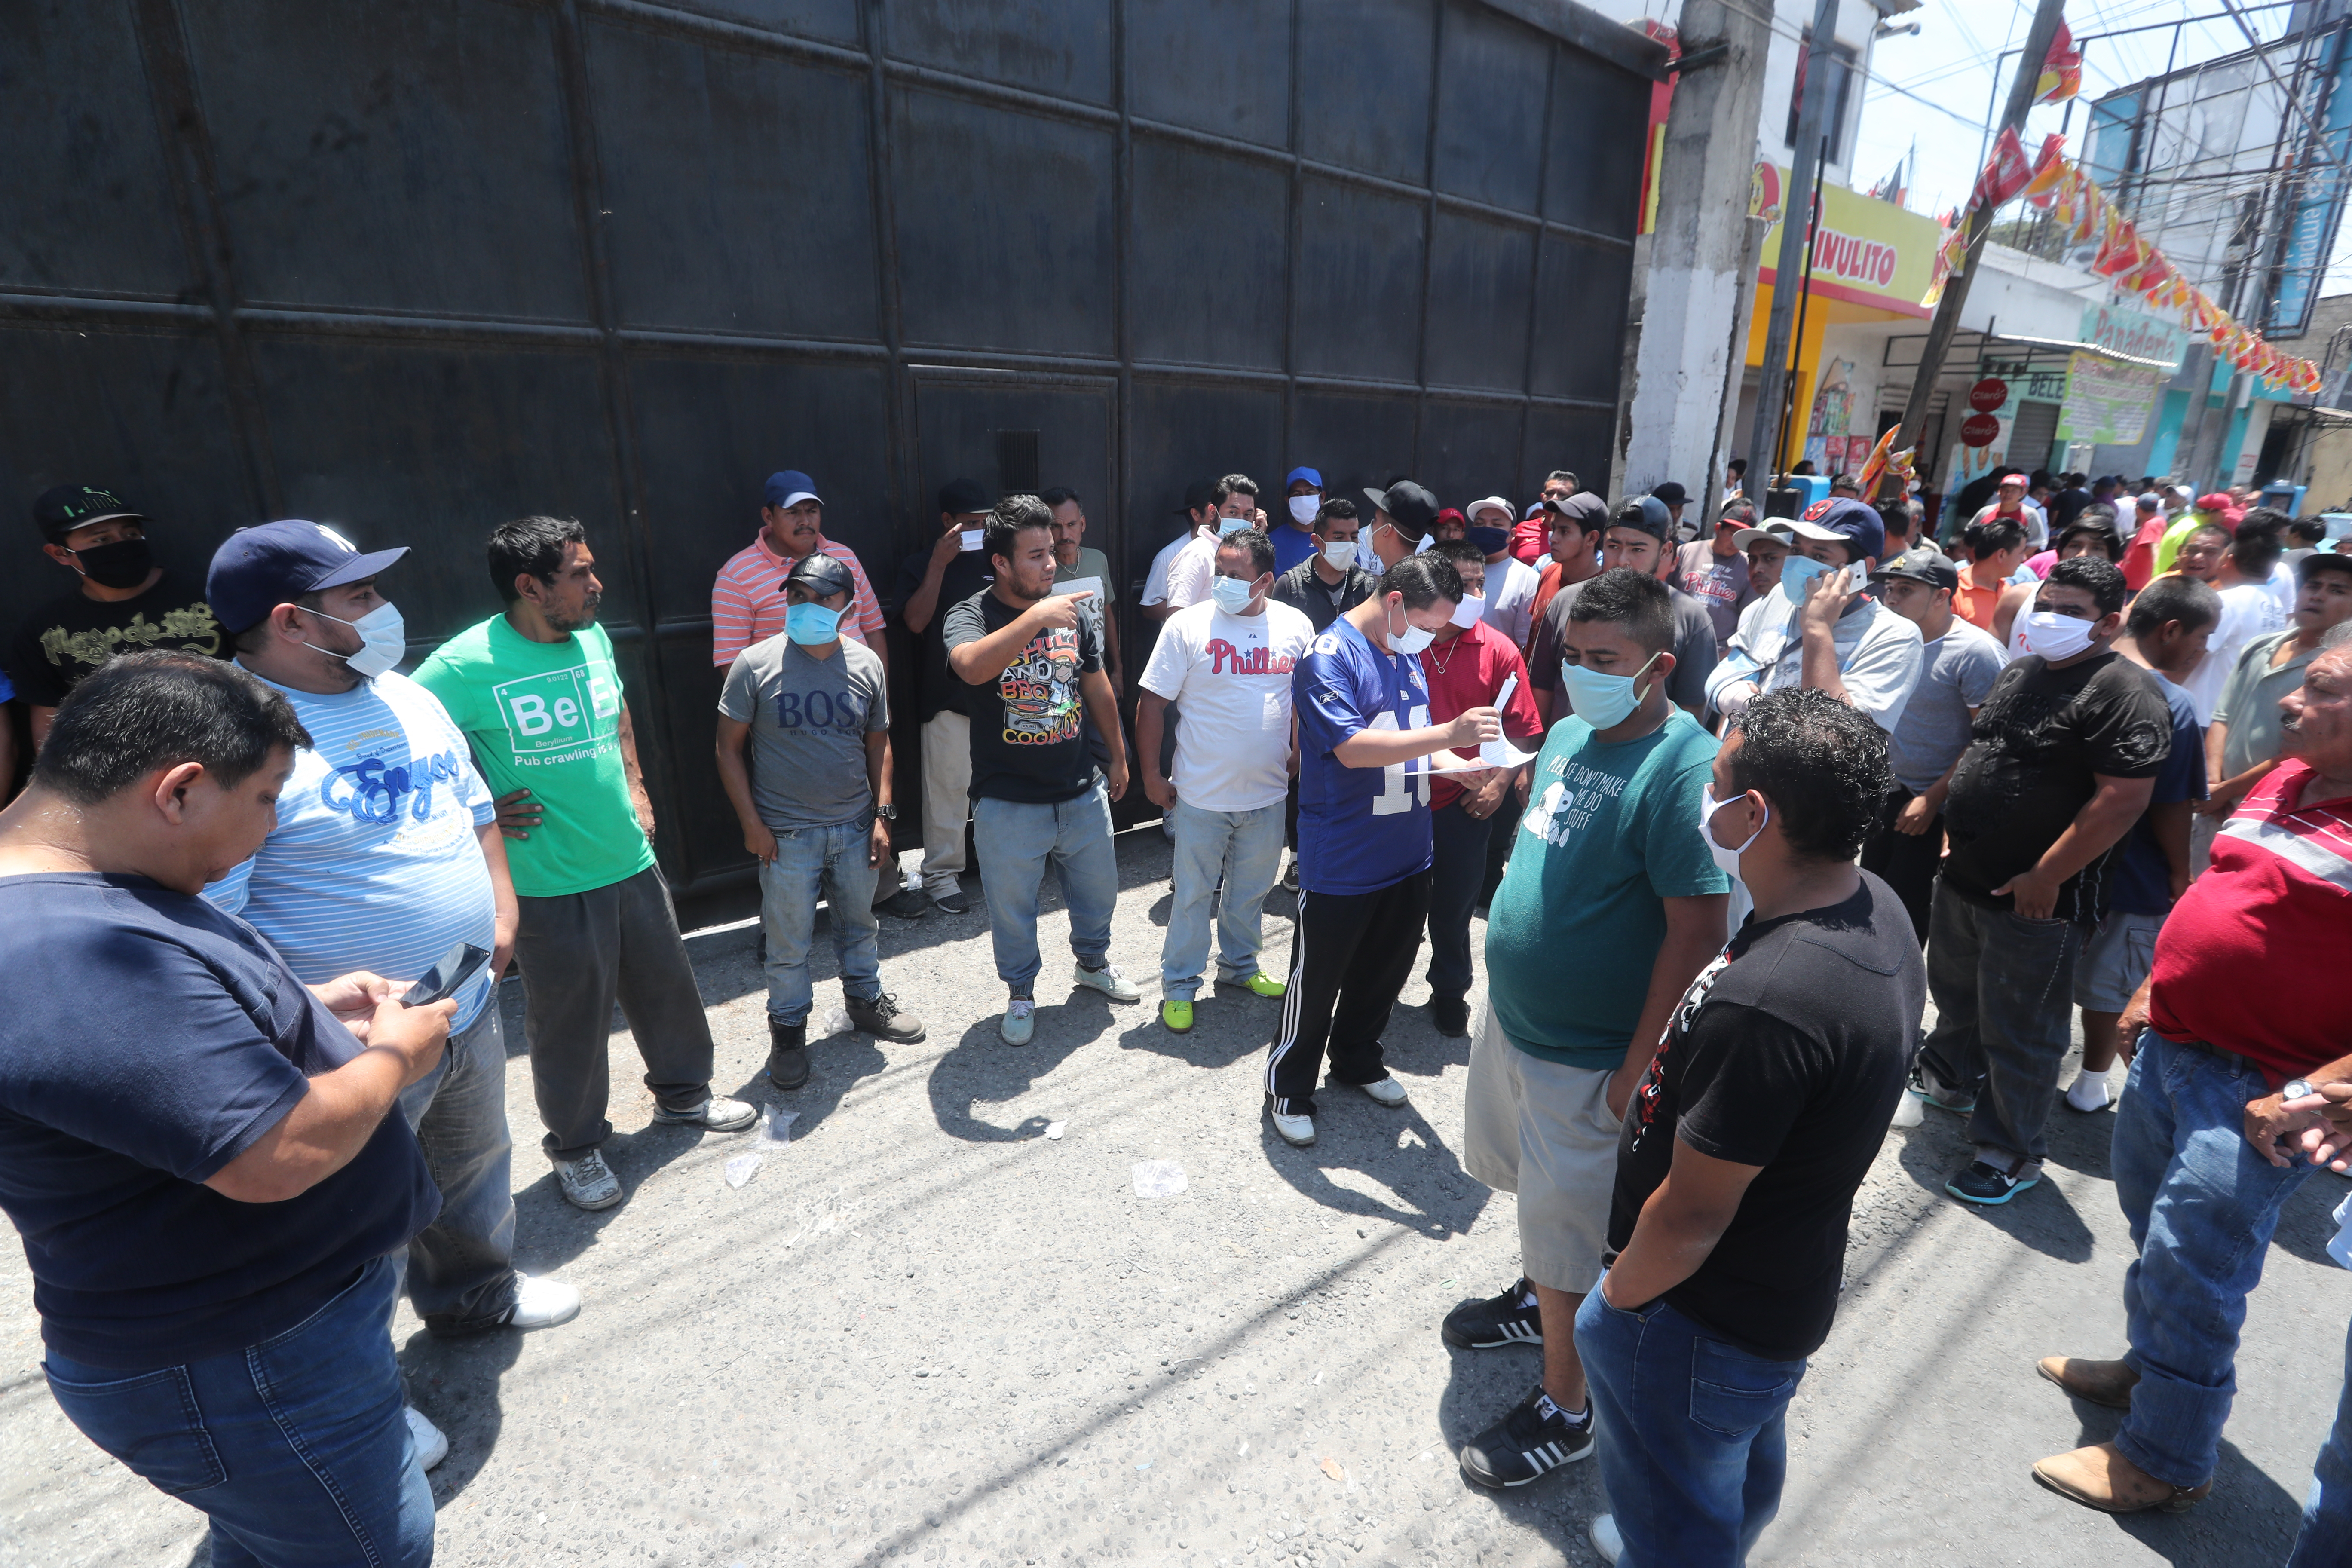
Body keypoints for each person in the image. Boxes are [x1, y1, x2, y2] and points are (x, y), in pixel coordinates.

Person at [0, 651, 449, 1567]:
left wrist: (300, 1010)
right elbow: (274, 1152)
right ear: (180, 791)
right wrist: (401, 1054)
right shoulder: (60, 951)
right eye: (269, 799)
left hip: (256, 1344)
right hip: (241, 1361)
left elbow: (142, 1056)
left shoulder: (87, 898)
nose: (271, 827)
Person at [200, 519, 579, 1473]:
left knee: (471, 1161)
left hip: (464, 1001)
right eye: (359, 599)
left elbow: (478, 808)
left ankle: (472, 1294)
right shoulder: (237, 739)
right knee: (351, 1230)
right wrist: (305, 1012)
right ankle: (362, 1405)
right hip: (348, 1043)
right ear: (292, 621)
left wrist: (501, 913)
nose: (383, 613)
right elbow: (206, 924)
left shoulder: (404, 695)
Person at [1577, 688, 1925, 1567]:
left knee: (1680, 1505)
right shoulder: (1872, 900)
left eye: (1717, 782)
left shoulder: (1775, 999)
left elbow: (1693, 1216)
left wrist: (1612, 1311)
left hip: (1694, 1317)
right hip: (1774, 1297)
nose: (1706, 799)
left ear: (1755, 812)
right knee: (1730, 1471)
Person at [2031, 622, 2352, 1516]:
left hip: (2262, 1092)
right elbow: (2222, 893)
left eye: (2323, 689)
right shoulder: (2290, 777)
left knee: (2195, 1263)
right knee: (2158, 1233)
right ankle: (2151, 1369)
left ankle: (2165, 1457)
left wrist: (2307, 1093)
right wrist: (2147, 995)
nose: (2292, 700)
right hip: (2174, 1051)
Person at [1449, 568, 1730, 1490]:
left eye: (1604, 660)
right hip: (1520, 1026)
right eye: (1571, 656)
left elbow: (1697, 930)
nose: (1580, 676)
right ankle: (1538, 1302)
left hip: (1592, 1054)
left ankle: (1568, 1411)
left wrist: (1640, 1065)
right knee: (1538, 1202)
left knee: (1574, 1240)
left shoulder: (1683, 765)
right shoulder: (1571, 731)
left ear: (1660, 664)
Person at [415, 516, 756, 1213]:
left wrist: (635, 782)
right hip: (547, 881)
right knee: (568, 1021)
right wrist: (474, 808)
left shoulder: (592, 636)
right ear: (530, 585)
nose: (596, 584)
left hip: (627, 858)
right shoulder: (462, 664)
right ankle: (575, 1146)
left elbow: (619, 709)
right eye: (579, 574)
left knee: (668, 990)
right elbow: (407, 741)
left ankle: (684, 1097)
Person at [1910, 556, 2172, 1206]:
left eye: (2071, 611)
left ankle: (2009, 1151)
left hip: (2038, 900)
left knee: (2023, 1026)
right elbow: (1981, 748)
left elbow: (2123, 801)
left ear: (2109, 623)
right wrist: (1951, 826)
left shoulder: (2126, 692)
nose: (2050, 618)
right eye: (2047, 604)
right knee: (1958, 995)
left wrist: (2047, 874)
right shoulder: (2023, 670)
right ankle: (1949, 1078)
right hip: (1967, 877)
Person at [1269, 552, 1498, 1148]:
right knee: (1317, 981)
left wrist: (1457, 766)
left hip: (1407, 850)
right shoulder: (1329, 658)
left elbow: (1410, 737)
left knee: (1385, 972)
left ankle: (1357, 1059)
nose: (1435, 637)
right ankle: (1289, 1086)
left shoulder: (1405, 652)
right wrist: (1450, 737)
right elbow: (1353, 748)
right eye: (1430, 624)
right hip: (1343, 855)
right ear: (1396, 603)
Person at [716, 553, 925, 1093]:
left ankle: (864, 1001)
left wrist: (882, 816)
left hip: (855, 828)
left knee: (861, 927)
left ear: (847, 605)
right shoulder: (755, 664)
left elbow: (879, 745)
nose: (805, 606)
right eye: (796, 596)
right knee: (788, 946)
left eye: (821, 597)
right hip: (786, 838)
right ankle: (788, 1034)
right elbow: (727, 749)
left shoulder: (865, 665)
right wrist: (751, 825)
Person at [945, 495, 1140, 1044]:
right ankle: (1021, 992)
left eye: (1051, 552)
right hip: (1007, 798)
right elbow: (970, 667)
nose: (1050, 565)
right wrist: (1035, 618)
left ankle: (1093, 965)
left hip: (1079, 787)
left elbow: (1095, 683)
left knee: (1099, 892)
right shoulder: (971, 614)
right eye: (1034, 556)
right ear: (1001, 563)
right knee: (1013, 911)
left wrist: (1118, 755)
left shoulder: (1071, 609)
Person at [1136, 528, 1312, 1031]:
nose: (1224, 583)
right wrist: (1151, 774)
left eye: (1236, 574)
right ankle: (1179, 985)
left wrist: (1299, 750)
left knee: (1250, 893)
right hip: (1202, 795)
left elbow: (1305, 698)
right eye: (1220, 572)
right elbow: (1152, 704)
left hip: (1268, 794)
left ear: (1266, 581)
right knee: (1193, 896)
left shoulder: (1296, 626)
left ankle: (1240, 968)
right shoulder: (1187, 627)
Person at [2062, 575, 2218, 1114]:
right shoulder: (2173, 705)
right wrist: (2180, 873)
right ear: (2172, 631)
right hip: (2132, 874)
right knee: (2111, 988)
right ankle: (2089, 1082)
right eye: (2202, 639)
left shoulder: (2074, 674)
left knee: (2039, 974)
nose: (2204, 652)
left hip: (2054, 864)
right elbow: (2173, 805)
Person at [1417, 540, 1544, 1038]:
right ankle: (1375, 991)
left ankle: (1450, 991)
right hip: (1401, 799)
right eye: (1461, 583)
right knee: (1397, 909)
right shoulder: (1405, 641)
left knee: (1454, 907)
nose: (1473, 592)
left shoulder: (1499, 649)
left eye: (1478, 583)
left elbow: (1523, 728)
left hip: (1466, 804)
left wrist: (1498, 785)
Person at [1857, 546, 2006, 943]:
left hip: (1933, 803)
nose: (1891, 598)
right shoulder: (1885, 639)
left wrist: (1934, 799)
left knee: (1904, 916)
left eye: (1906, 589)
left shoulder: (1976, 652)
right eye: (1889, 588)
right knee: (1866, 899)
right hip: (1886, 792)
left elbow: (1989, 740)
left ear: (1942, 596)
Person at [8, 484, 224, 750]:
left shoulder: (212, 595)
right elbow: (49, 732)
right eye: (101, 540)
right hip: (123, 776)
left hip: (228, 750)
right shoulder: (44, 631)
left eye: (130, 533)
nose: (121, 546)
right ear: (60, 554)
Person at [1706, 499, 1923, 736]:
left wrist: (1817, 629)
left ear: (1862, 569)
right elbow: (1722, 677)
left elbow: (1838, 738)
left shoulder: (1895, 637)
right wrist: (1742, 701)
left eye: (1819, 557)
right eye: (1796, 551)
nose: (1799, 563)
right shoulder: (1779, 596)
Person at [2198, 549, 2352, 869]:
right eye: (2313, 585)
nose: (2318, 596)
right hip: (2214, 804)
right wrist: (2212, 784)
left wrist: (2228, 790)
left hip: (2269, 814)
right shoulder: (2261, 645)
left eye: (2337, 590)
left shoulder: (2334, 674)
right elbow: (2223, 715)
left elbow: (2301, 753)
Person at [897, 478, 996, 913]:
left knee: (998, 790)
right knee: (948, 789)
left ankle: (1001, 865)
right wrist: (939, 563)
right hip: (946, 696)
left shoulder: (997, 558)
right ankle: (941, 875)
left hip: (1000, 695)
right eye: (969, 523)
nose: (977, 529)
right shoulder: (921, 563)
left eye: (984, 522)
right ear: (947, 522)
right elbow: (915, 622)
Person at [1528, 498, 1714, 724]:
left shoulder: (1691, 618)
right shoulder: (1566, 602)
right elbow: (1540, 688)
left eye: (1637, 549)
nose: (1622, 560)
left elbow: (1691, 710)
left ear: (1665, 551)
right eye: (1614, 547)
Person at [709, 469, 888, 667]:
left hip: (855, 694)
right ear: (768, 517)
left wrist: (882, 696)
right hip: (787, 697)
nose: (805, 521)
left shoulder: (845, 557)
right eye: (792, 512)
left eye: (812, 511)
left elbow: (873, 629)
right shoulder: (736, 576)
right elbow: (731, 661)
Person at [1044, 484, 1126, 700]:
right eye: (1056, 526)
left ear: (1083, 524)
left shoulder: (1098, 559)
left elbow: (1106, 614)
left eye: (1071, 525)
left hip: (1098, 676)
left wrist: (1117, 668)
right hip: (1058, 682)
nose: (1064, 534)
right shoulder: (1043, 571)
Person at [1268, 496, 1375, 634]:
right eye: (1339, 538)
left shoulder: (1368, 585)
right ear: (1317, 541)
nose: (1349, 543)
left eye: (1354, 537)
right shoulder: (1290, 586)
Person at [1163, 474, 1264, 616]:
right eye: (1233, 513)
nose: (1241, 521)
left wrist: (1259, 541)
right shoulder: (1197, 555)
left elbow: (1265, 599)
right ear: (1212, 512)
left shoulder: (1251, 554)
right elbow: (1177, 618)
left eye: (1248, 515)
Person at [1674, 500, 1758, 648]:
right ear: (1718, 529)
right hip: (1676, 639)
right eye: (1732, 534)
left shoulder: (1748, 566)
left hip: (1716, 648)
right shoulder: (1687, 551)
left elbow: (1748, 618)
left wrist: (1729, 652)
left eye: (1741, 536)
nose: (1735, 542)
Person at [1525, 491, 1607, 634]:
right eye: (1554, 529)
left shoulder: (1604, 593)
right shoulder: (1549, 572)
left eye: (1564, 532)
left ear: (1592, 538)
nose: (1553, 539)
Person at [1141, 480, 1220, 625]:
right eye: (1213, 510)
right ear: (1196, 514)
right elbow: (1149, 607)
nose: (1219, 515)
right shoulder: (1170, 555)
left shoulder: (1234, 551)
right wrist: (1190, 603)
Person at [1466, 496, 1541, 647]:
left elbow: (1526, 644)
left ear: (1512, 534)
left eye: (1496, 524)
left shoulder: (1527, 578)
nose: (1487, 529)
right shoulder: (1455, 571)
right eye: (1480, 524)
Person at [1951, 517, 2027, 632]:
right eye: (2021, 552)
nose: (2024, 559)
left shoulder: (2007, 590)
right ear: (2002, 554)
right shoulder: (1953, 592)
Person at [1512, 470, 1581, 564]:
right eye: (1550, 493)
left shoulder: (1582, 533)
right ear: (1542, 497)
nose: (1554, 498)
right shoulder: (1522, 529)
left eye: (1562, 494)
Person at [1971, 471, 2046, 550]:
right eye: (2006, 490)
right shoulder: (1985, 511)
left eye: (2014, 491)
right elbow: (1970, 535)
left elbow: (2037, 542)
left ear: (2023, 493)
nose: (2008, 494)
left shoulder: (2030, 515)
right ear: (1999, 491)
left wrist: (2016, 557)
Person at [1272, 467, 1326, 574]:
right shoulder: (1273, 543)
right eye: (1297, 495)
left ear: (1322, 498)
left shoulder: (1336, 538)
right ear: (1288, 501)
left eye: (1310, 493)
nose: (1304, 500)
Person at [2121, 491, 2168, 590]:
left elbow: (2156, 547)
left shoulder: (2152, 524)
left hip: (2136, 587)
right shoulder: (2157, 521)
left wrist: (2156, 578)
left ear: (2138, 509)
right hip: (2134, 584)